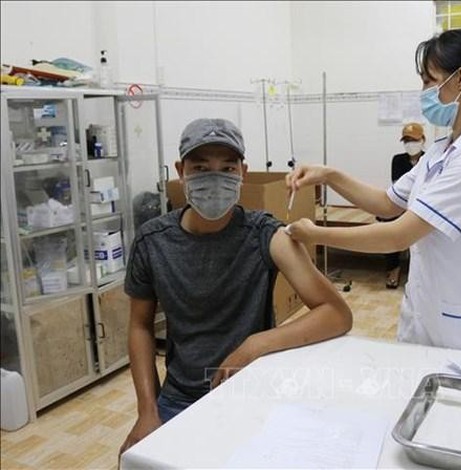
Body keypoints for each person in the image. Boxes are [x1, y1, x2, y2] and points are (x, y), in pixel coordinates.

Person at [119, 118, 352, 455]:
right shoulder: (153, 242)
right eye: (201, 167)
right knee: (132, 461)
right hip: (180, 395)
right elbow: (140, 325)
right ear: (180, 170)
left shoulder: (265, 234)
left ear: (243, 172)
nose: (215, 178)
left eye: (227, 168)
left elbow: (336, 313)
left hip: (250, 391)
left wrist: (255, 345)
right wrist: (147, 410)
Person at [285, 29, 461, 355]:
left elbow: (398, 235)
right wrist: (329, 175)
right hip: (421, 317)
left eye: (428, 80)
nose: (423, 91)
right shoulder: (441, 151)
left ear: (460, 79)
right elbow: (386, 202)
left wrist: (316, 234)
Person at [379, 122, 426, 289]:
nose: (410, 144)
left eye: (413, 139)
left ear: (422, 140)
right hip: (402, 203)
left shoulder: (429, 160)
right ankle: (394, 268)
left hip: (422, 205)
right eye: (406, 140)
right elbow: (397, 186)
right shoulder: (398, 160)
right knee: (389, 223)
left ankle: (418, 272)